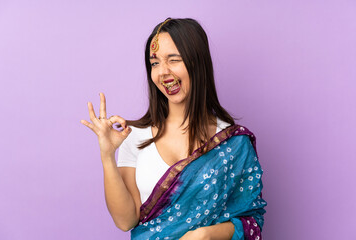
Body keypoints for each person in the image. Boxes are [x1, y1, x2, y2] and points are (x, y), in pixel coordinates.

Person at [81, 18, 267, 240]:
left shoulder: (233, 143)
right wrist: (107, 155)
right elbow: (125, 220)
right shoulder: (134, 135)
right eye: (155, 63)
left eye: (173, 59)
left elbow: (252, 221)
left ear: (197, 63)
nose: (163, 72)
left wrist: (205, 235)